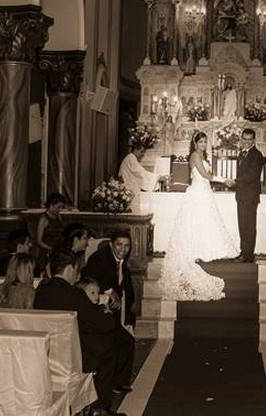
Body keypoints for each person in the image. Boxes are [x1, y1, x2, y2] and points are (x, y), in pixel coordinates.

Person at [34, 251, 126, 416]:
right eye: (77, 269)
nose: (77, 274)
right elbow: (102, 323)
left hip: (46, 351)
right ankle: (99, 407)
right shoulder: (73, 293)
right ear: (70, 269)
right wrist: (107, 315)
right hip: (71, 356)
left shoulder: (42, 290)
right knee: (108, 345)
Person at [158, 131, 239, 300]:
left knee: (207, 222)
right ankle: (196, 249)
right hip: (197, 194)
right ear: (195, 143)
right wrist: (225, 180)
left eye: (205, 142)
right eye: (200, 142)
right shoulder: (195, 156)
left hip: (205, 193)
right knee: (196, 222)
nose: (203, 144)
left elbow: (207, 176)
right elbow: (205, 175)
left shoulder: (204, 156)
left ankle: (206, 248)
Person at [82, 230, 136, 393]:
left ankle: (118, 381)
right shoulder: (99, 259)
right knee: (123, 341)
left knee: (125, 341)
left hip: (117, 309)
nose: (123, 249)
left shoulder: (120, 261)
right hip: (98, 310)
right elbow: (88, 281)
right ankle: (115, 382)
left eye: (127, 246)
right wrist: (109, 290)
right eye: (119, 244)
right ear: (111, 244)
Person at [230, 128, 266, 263]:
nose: (246, 142)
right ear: (241, 139)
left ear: (254, 140)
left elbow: (252, 175)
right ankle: (244, 252)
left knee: (249, 225)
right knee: (243, 224)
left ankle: (248, 255)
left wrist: (235, 182)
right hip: (242, 195)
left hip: (250, 196)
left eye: (249, 139)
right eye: (244, 139)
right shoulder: (242, 154)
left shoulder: (257, 155)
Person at [118, 141, 167, 212]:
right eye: (142, 151)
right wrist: (157, 177)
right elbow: (140, 173)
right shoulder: (131, 158)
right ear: (136, 150)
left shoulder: (131, 158)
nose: (143, 154)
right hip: (128, 188)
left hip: (130, 187)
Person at [36, 192, 66, 275]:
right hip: (46, 252)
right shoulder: (43, 219)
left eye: (61, 207)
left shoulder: (58, 217)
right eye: (58, 207)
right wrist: (51, 249)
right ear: (51, 205)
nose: (59, 210)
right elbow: (39, 241)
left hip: (58, 251)